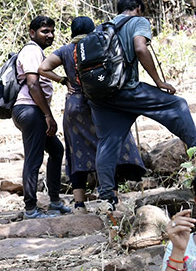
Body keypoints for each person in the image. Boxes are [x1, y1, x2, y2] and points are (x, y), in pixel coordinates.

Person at [89, 0, 196, 208]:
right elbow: (140, 48)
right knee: (177, 105)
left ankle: (106, 197)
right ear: (138, 8)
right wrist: (158, 81)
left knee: (108, 142)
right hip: (127, 89)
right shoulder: (137, 21)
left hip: (101, 96)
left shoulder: (101, 28)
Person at [40, 17, 145, 208]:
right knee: (108, 147)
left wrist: (64, 80)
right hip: (101, 103)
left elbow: (43, 68)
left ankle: (79, 205)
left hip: (75, 106)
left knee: (76, 152)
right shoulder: (99, 45)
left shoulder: (65, 51)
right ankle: (111, 198)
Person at [12, 16, 68, 219]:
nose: (50, 35)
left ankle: (54, 202)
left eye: (52, 31)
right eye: (45, 31)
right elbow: (33, 84)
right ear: (32, 32)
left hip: (32, 110)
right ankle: (30, 210)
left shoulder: (37, 51)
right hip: (29, 109)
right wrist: (48, 115)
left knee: (56, 150)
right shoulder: (31, 51)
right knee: (34, 159)